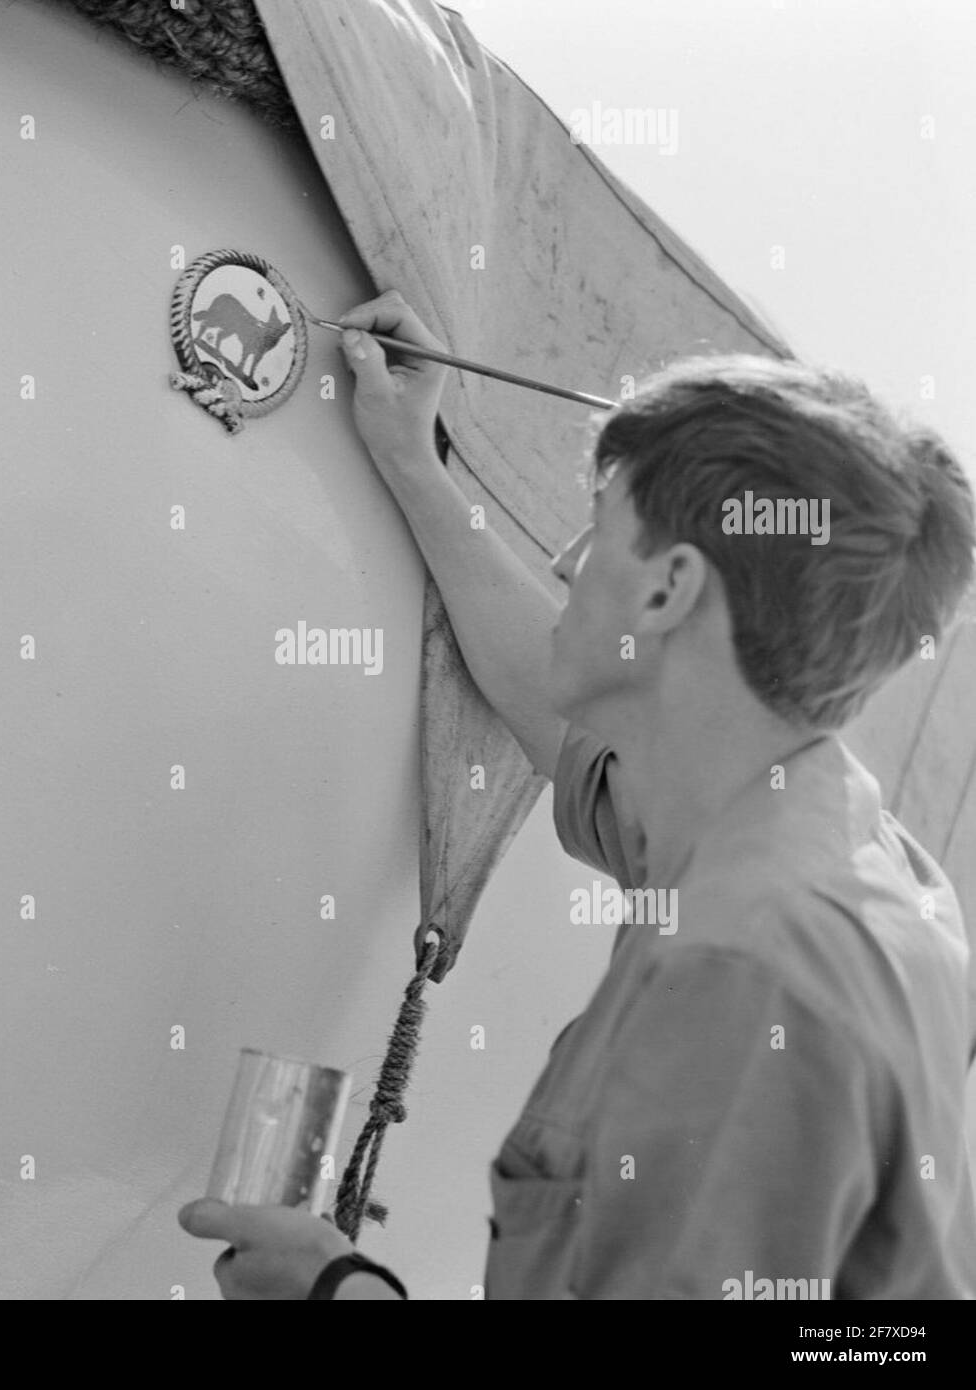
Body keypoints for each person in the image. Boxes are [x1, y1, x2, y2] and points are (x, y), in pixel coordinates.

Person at [179, 290, 976, 1299]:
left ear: (668, 591)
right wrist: (413, 464)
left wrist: (339, 1292)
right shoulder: (801, 837)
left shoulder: (744, 973)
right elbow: (553, 708)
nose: (562, 560)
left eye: (598, 528)